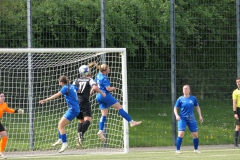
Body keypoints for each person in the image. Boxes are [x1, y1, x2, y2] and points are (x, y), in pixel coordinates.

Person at [88, 62, 142, 142]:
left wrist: (90, 92)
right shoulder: (104, 78)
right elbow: (108, 89)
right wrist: (113, 88)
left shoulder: (98, 76)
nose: (109, 69)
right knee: (120, 108)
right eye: (108, 68)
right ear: (105, 70)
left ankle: (100, 130)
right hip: (105, 95)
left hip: (98, 96)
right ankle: (131, 122)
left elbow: (94, 85)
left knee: (104, 114)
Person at [39, 75, 80, 153]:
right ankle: (60, 139)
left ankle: (65, 143)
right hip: (74, 109)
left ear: (61, 82)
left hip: (73, 110)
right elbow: (79, 90)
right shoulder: (71, 86)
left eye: (59, 82)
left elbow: (57, 95)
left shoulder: (65, 87)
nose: (59, 83)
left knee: (61, 126)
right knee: (60, 124)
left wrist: (46, 100)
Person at [73, 65, 106, 146]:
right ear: (87, 71)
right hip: (84, 102)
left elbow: (72, 89)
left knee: (81, 121)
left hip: (77, 102)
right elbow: (94, 87)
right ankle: (81, 134)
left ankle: (79, 136)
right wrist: (102, 93)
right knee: (88, 120)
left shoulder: (76, 80)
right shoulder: (89, 79)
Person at [173, 85, 203, 154]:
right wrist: (177, 115)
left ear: (189, 90)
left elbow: (197, 107)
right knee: (181, 133)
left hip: (191, 118)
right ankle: (177, 150)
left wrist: (200, 116)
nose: (184, 90)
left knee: (195, 134)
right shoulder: (180, 99)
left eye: (186, 89)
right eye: (183, 89)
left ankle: (196, 149)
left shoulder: (193, 98)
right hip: (182, 118)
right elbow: (175, 108)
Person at [0, 92, 24, 159]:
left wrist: (17, 111)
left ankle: (1, 152)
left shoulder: (4, 105)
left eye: (3, 96)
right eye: (1, 96)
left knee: (4, 136)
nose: (3, 97)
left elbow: (9, 110)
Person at [232, 77, 240, 148]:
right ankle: (235, 143)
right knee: (238, 126)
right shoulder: (235, 92)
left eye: (239, 81)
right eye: (237, 82)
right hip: (239, 109)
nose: (238, 83)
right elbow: (234, 102)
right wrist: (235, 112)